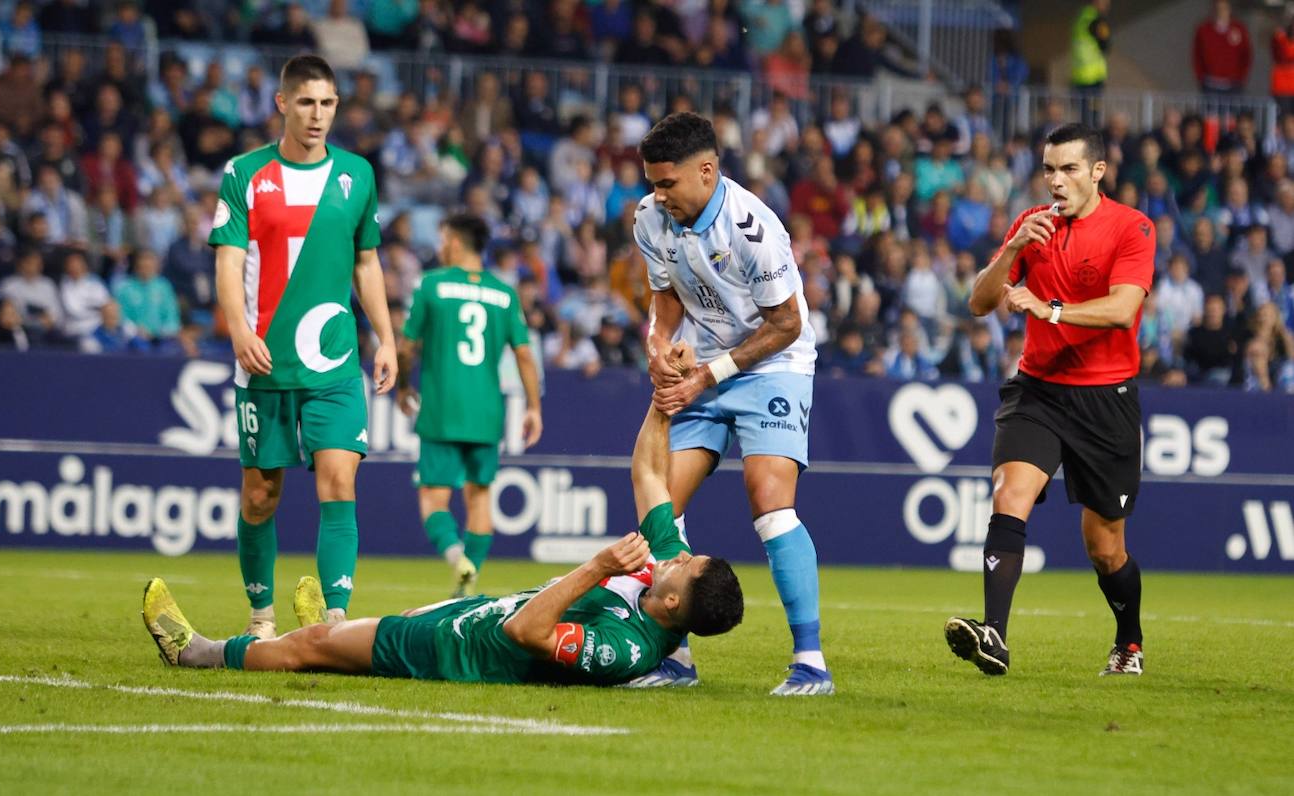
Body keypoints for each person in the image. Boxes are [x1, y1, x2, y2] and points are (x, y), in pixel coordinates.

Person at [142, 396, 745, 687]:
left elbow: (527, 634)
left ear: (673, 605)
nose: (682, 554)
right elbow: (647, 474)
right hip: (476, 614)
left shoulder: (627, 649)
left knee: (313, 644)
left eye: (687, 566)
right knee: (367, 629)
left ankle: (197, 651)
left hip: (463, 653)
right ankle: (329, 636)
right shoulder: (659, 570)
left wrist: (597, 566)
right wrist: (662, 401)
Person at [632, 112, 831, 696]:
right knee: (661, 505)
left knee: (770, 504)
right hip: (702, 367)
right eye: (652, 182)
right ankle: (676, 658)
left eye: (667, 183)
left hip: (772, 364)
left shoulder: (753, 228)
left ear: (707, 170)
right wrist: (658, 345)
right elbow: (664, 298)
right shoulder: (650, 218)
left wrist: (708, 375)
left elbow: (787, 323)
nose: (656, 195)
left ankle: (811, 663)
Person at [947, 123, 1156, 677]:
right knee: (1008, 493)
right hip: (1038, 391)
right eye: (1048, 170)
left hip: (1105, 398)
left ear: (1097, 172)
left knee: (1105, 548)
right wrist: (1013, 248)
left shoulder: (1132, 228)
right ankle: (994, 635)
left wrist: (1051, 309)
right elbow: (978, 303)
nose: (1056, 181)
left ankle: (1129, 639)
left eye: (1067, 169)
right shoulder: (1030, 227)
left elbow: (1120, 310)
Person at [208, 55, 399, 641]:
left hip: (334, 361)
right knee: (260, 495)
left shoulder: (356, 175)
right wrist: (239, 329)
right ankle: (261, 617)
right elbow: (228, 260)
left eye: (329, 103)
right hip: (265, 361)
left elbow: (367, 262)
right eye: (308, 102)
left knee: (339, 480)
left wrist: (386, 339)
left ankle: (337, 618)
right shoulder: (244, 173)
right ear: (282, 104)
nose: (319, 115)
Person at [396, 213, 543, 596]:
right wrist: (533, 407)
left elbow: (407, 347)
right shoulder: (504, 292)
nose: (441, 246)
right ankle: (469, 578)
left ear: (456, 243)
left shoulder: (432, 285)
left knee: (432, 496)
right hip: (486, 413)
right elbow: (525, 355)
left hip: (442, 407)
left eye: (444, 239)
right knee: (480, 497)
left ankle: (456, 555)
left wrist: (401, 386)